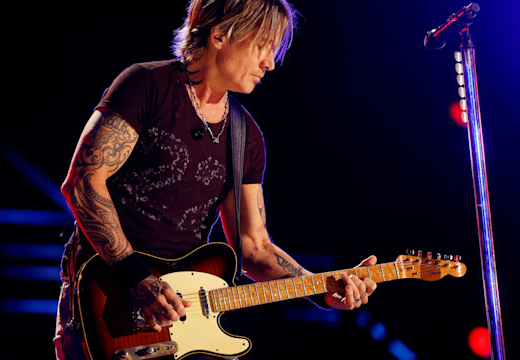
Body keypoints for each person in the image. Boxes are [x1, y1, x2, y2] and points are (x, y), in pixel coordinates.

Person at [54, 0, 377, 359]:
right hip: (107, 299)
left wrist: (322, 290)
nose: (269, 63)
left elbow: (254, 247)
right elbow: (83, 183)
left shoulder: (246, 137)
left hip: (182, 317)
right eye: (262, 46)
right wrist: (137, 278)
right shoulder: (146, 84)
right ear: (220, 34)